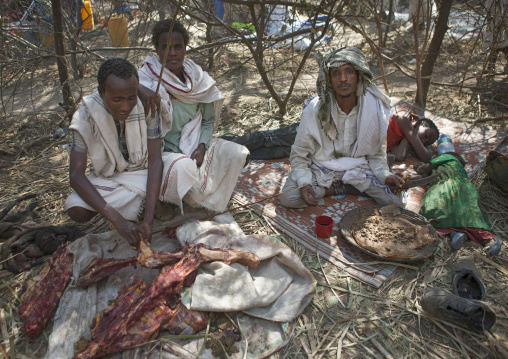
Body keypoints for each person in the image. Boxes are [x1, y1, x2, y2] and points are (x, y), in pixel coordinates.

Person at [137, 19, 249, 215]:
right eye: (165, 47)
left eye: (178, 46)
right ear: (157, 49)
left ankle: (189, 193)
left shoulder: (197, 78)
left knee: (240, 154)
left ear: (185, 48)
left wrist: (202, 145)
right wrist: (139, 88)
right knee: (194, 189)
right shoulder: (146, 78)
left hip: (194, 143)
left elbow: (207, 121)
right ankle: (170, 196)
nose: (172, 52)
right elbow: (120, 84)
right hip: (164, 153)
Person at [279, 46, 405, 208]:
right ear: (330, 80)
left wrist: (385, 175)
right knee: (289, 198)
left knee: (398, 203)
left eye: (349, 72)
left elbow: (376, 154)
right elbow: (299, 154)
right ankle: (341, 187)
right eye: (336, 74)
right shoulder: (316, 109)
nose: (343, 78)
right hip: (321, 169)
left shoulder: (373, 108)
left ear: (359, 76)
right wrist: (304, 182)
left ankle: (350, 185)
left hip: (359, 169)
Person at [65, 58, 172, 246]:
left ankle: (147, 208)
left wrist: (148, 221)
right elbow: (75, 175)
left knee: (182, 169)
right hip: (111, 178)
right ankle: (148, 204)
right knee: (76, 208)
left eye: (131, 98)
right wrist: (117, 220)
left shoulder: (146, 105)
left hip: (144, 171)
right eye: (117, 99)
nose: (125, 106)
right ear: (101, 92)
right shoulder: (84, 116)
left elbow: (156, 162)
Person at [223, 114, 438, 163]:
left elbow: (399, 157)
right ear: (420, 123)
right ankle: (222, 143)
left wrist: (410, 140)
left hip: (330, 147)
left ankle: (233, 153)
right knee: (273, 137)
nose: (424, 142)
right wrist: (413, 133)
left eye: (428, 141)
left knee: (277, 152)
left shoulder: (404, 140)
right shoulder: (401, 120)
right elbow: (426, 157)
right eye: (426, 135)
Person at [416, 152, 502, 256]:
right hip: (461, 188)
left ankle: (457, 234)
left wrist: (418, 168)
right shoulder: (445, 171)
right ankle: (485, 239)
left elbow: (425, 169)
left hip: (447, 187)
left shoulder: (448, 157)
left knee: (435, 211)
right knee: (470, 214)